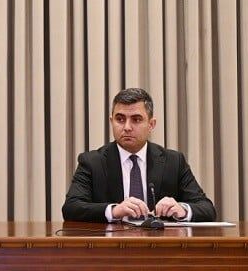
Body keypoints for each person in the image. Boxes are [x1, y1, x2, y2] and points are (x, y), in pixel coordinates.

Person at [62, 88, 216, 223]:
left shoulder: (173, 162)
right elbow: (71, 208)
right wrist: (114, 211)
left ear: (151, 124)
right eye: (120, 119)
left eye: (136, 120)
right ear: (111, 121)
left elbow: (207, 208)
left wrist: (182, 210)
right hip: (111, 244)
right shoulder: (92, 162)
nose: (127, 127)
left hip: (160, 244)